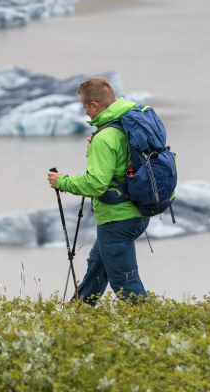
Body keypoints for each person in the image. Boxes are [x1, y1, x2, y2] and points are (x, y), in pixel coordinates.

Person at [47, 76, 148, 303]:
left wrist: (62, 181)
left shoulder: (105, 137)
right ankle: (78, 315)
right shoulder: (125, 124)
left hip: (117, 218)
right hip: (136, 214)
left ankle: (156, 328)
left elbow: (96, 183)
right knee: (97, 267)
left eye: (85, 107)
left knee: (124, 281)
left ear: (95, 105)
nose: (85, 114)